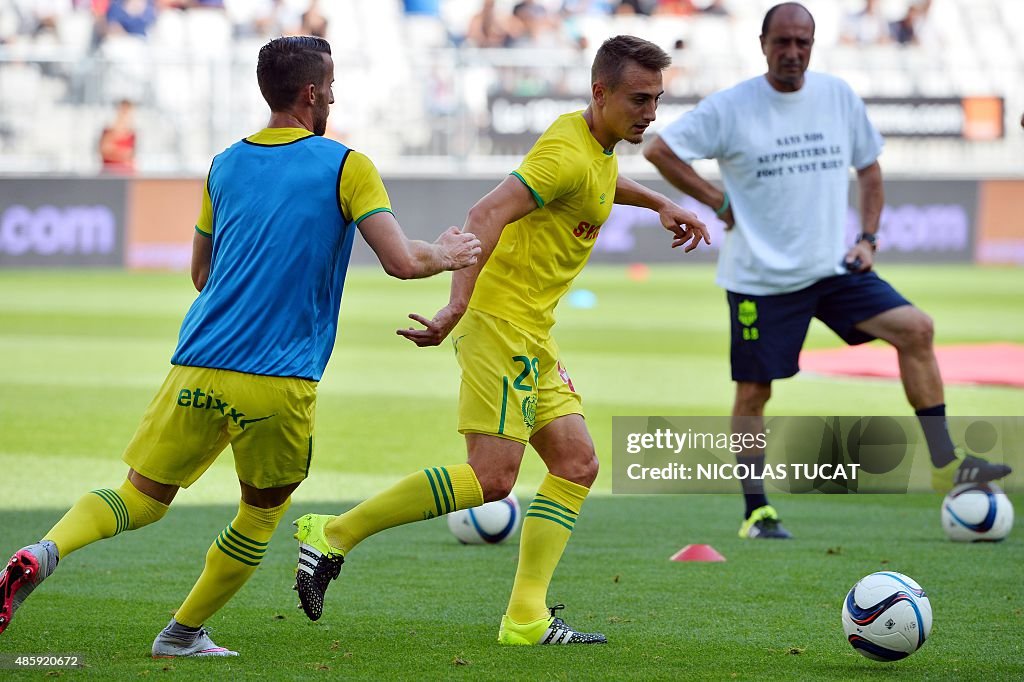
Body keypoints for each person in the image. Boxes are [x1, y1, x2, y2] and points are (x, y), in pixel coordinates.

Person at [0, 35, 481, 656]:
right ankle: (182, 632)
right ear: (311, 92)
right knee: (260, 512)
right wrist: (445, 254)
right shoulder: (346, 164)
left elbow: (201, 272)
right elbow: (398, 260)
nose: (333, 95)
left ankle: (45, 550)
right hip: (277, 378)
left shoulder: (224, 163)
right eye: (330, 84)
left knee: (140, 497)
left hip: (196, 362)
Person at [291, 34, 709, 645]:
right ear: (602, 92)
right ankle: (333, 534)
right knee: (492, 479)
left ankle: (526, 618)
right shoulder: (565, 153)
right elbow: (485, 213)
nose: (650, 112)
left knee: (576, 464)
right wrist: (457, 304)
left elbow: (600, 183)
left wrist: (659, 203)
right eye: (639, 99)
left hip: (532, 331)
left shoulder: (594, 143)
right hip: (499, 323)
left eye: (657, 100)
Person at [643, 2, 1012, 539]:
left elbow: (870, 168)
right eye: (783, 42)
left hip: (831, 268)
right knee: (754, 393)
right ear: (763, 42)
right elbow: (659, 148)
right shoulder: (732, 106)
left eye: (803, 42)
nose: (792, 52)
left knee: (917, 329)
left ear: (813, 45)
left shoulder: (836, 96)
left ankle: (946, 463)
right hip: (760, 280)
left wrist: (868, 239)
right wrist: (716, 202)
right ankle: (756, 511)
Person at [99, 98, 137, 173]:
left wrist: (114, 151)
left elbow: (130, 155)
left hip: (126, 174)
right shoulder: (107, 131)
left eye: (127, 112)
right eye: (123, 111)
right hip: (109, 174)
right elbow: (104, 151)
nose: (125, 116)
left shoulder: (132, 134)